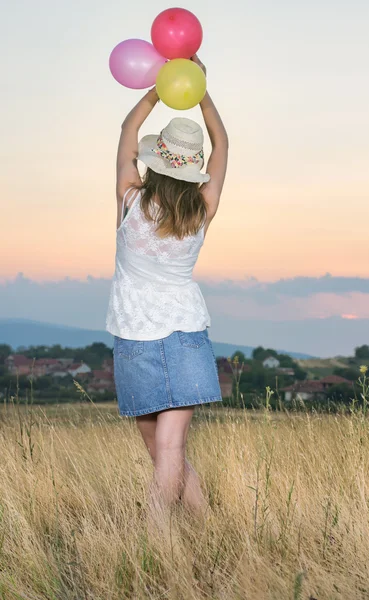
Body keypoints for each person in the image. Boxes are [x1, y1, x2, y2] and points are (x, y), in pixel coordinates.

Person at [106, 55, 228, 518]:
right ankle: (206, 529)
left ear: (157, 162)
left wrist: (161, 89)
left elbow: (126, 130)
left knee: (163, 452)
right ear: (193, 168)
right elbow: (222, 141)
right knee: (171, 450)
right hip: (186, 337)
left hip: (134, 339)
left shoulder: (130, 198)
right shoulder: (203, 209)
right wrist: (201, 90)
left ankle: (157, 540)